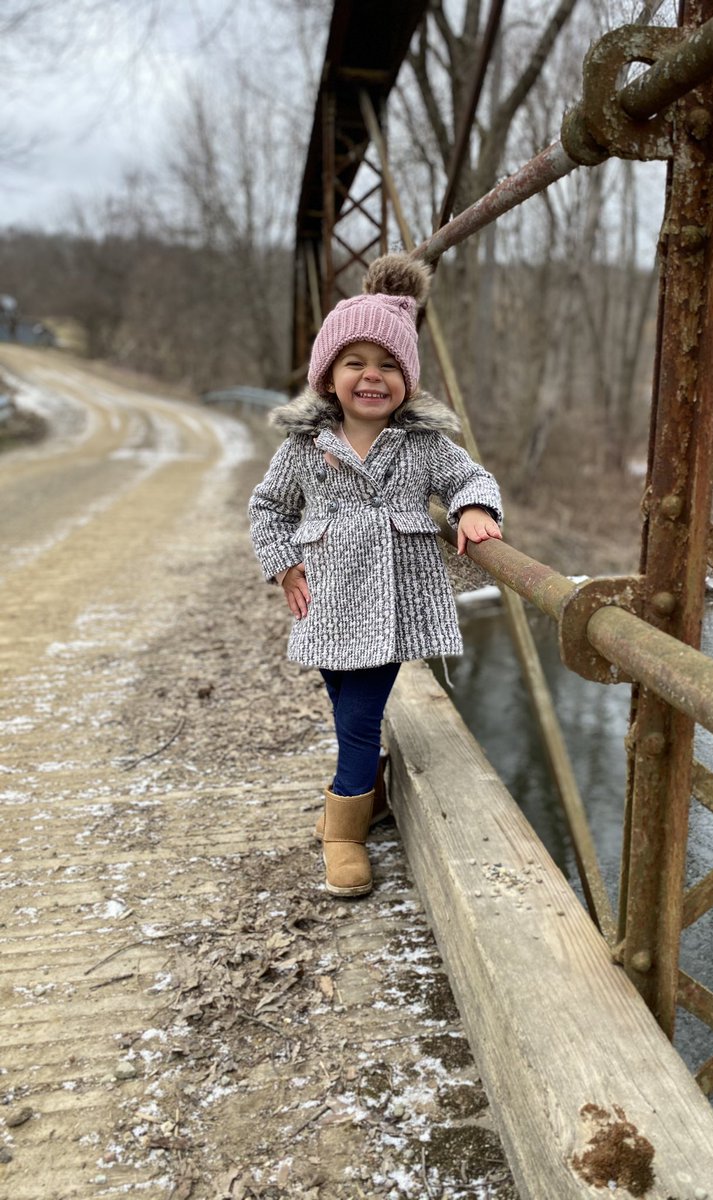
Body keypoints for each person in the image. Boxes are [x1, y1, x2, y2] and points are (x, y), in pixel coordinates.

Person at [248, 254, 503, 898]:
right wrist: (283, 566)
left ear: (408, 382)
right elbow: (267, 508)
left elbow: (469, 476)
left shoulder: (420, 444)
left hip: (392, 597)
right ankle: (374, 794)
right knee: (343, 706)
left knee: (358, 718)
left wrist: (472, 507)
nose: (372, 376)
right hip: (328, 598)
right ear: (329, 377)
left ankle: (344, 830)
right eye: (355, 362)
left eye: (389, 365)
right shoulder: (305, 446)